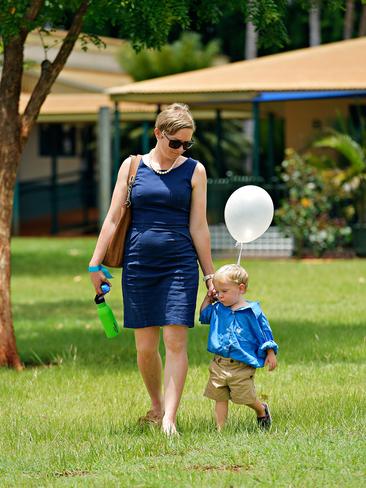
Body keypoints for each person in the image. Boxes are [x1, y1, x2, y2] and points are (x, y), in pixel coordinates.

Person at [89, 103, 215, 435]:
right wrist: (94, 263)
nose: (180, 150)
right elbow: (113, 217)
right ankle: (156, 407)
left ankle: (170, 419)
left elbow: (199, 227)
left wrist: (209, 275)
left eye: (187, 144)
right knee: (145, 347)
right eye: (175, 142)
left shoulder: (194, 171)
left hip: (180, 265)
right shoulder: (132, 167)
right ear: (159, 133)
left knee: (175, 342)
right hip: (138, 264)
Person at [199, 264, 278, 431]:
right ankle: (221, 430)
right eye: (217, 291)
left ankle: (260, 409)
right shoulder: (218, 309)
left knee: (244, 397)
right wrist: (208, 298)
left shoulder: (251, 311)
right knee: (219, 397)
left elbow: (264, 333)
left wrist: (270, 352)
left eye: (224, 291)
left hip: (241, 365)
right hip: (219, 363)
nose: (219, 296)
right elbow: (204, 316)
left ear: (241, 288)